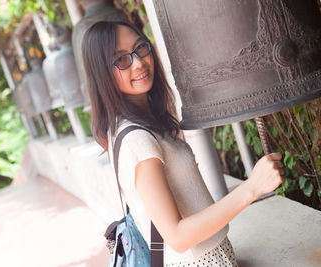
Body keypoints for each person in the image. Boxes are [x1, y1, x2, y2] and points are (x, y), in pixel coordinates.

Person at [82, 20, 284, 266]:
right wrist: (252, 188)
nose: (139, 62)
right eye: (122, 60)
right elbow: (176, 236)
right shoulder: (137, 139)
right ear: (102, 74)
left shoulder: (144, 124)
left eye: (140, 48)